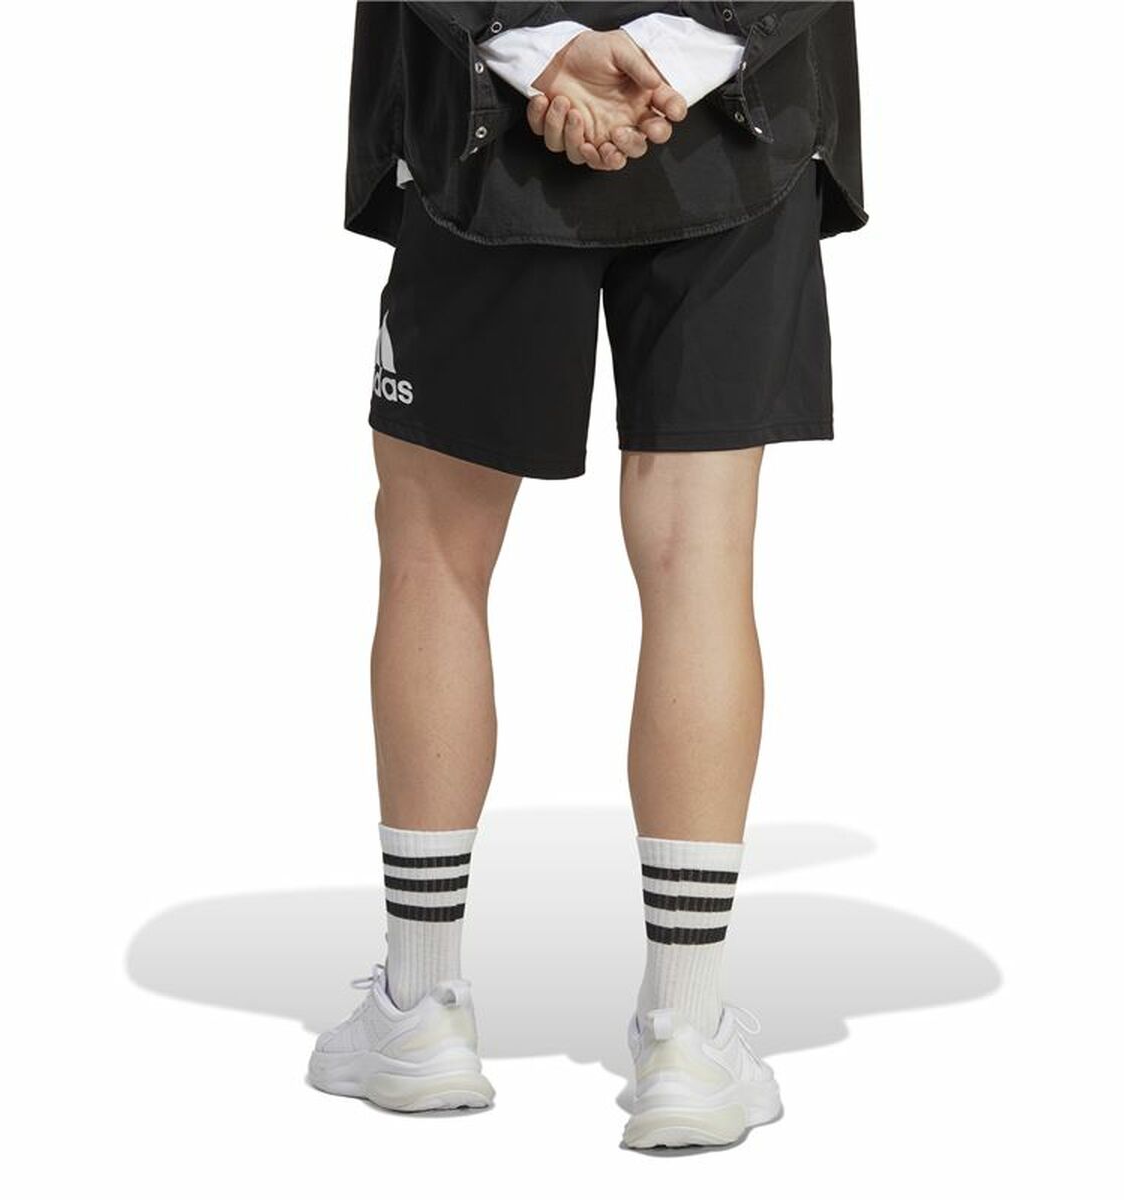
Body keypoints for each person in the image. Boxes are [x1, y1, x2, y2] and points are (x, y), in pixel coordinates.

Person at [307, 1, 867, 1150]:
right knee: (700, 554)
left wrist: (533, 44)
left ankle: (421, 1009)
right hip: (737, 128)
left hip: (479, 129)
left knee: (434, 554)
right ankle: (687, 1035)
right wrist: (683, 51)